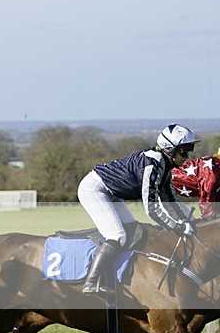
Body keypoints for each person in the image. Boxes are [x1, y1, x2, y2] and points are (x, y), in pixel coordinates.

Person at [77, 123, 198, 294]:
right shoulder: (152, 164)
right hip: (94, 189)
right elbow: (152, 209)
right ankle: (91, 281)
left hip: (111, 193)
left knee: (133, 232)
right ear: (169, 149)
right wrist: (176, 226)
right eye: (184, 152)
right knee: (117, 236)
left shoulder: (165, 166)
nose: (187, 157)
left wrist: (190, 221)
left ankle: (115, 277)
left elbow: (170, 200)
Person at [171, 147, 220, 219]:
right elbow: (206, 195)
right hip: (165, 183)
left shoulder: (214, 166)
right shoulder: (212, 173)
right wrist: (210, 216)